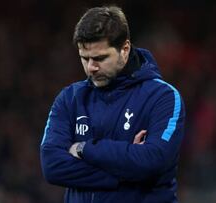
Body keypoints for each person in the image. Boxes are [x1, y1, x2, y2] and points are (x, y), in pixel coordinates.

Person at [40, 6, 185, 203]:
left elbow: (153, 160)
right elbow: (52, 166)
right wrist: (126, 172)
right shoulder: (70, 98)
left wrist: (84, 149)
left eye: (100, 58)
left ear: (125, 49)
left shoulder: (163, 97)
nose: (91, 67)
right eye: (85, 58)